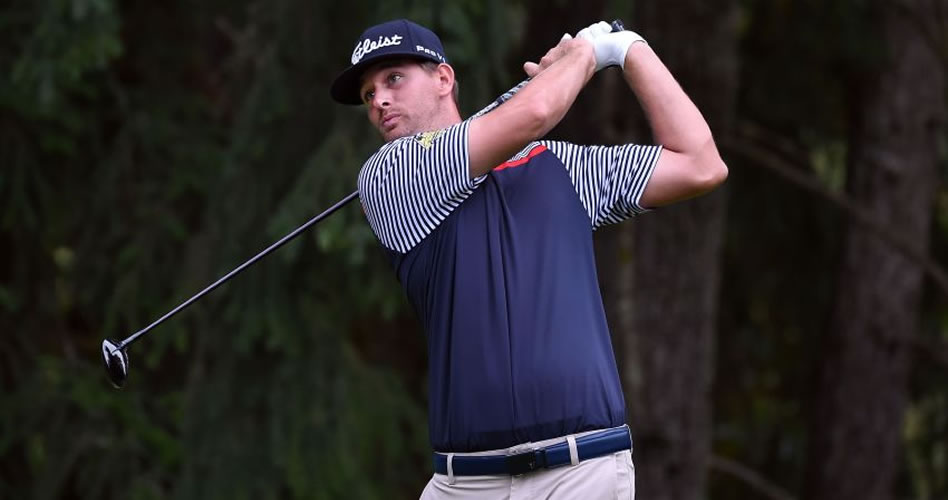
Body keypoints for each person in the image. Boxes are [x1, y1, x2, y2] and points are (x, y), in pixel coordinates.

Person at [330, 18, 727, 499]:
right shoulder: (390, 174)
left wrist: (628, 49)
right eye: (369, 94)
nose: (379, 101)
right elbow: (535, 110)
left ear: (443, 79)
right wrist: (586, 54)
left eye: (393, 79)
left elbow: (700, 164)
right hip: (466, 484)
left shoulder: (559, 165)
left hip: (581, 472)